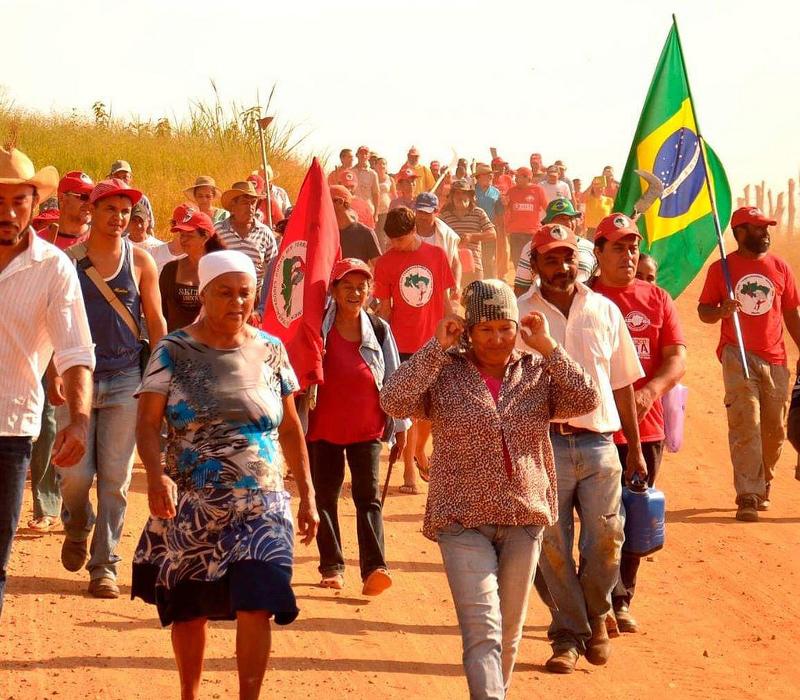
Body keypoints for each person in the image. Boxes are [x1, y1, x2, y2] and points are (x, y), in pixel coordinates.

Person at [380, 279, 599, 699]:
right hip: (462, 522)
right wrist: (434, 348)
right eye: (485, 329)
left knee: (509, 633)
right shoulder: (445, 374)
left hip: (524, 518)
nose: (497, 339)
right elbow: (394, 400)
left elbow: (587, 398)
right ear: (468, 329)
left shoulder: (536, 372)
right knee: (483, 629)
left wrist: (550, 348)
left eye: (506, 327)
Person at [131, 250, 319, 700]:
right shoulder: (172, 350)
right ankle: (189, 694)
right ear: (202, 293)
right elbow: (147, 422)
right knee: (190, 606)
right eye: (225, 293)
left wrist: (308, 492)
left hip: (264, 499)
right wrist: (156, 477)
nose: (237, 302)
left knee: (260, 598)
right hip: (195, 501)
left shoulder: (271, 349)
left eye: (244, 293)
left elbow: (291, 427)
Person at [517, 223, 646, 673]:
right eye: (550, 259)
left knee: (608, 537)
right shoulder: (518, 315)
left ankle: (594, 613)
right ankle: (568, 636)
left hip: (600, 442)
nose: (562, 267)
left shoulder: (605, 310)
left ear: (579, 261)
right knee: (552, 544)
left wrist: (633, 448)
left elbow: (624, 381)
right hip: (543, 445)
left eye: (568, 258)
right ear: (534, 264)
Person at [56, 178, 167, 599]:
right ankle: (77, 523)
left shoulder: (141, 262)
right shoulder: (67, 261)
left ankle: (105, 566)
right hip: (76, 380)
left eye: (126, 211)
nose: (119, 218)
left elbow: (155, 322)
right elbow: (54, 320)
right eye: (111, 210)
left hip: (125, 381)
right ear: (93, 211)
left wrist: (163, 374)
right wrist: (53, 372)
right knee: (75, 477)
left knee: (115, 480)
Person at [0, 147, 94, 616]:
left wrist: (78, 419)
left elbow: (75, 350)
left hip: (10, 431)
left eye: (20, 200)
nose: (9, 211)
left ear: (35, 205)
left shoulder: (54, 267)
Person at [591, 213, 687, 633]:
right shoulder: (583, 298)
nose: (629, 255)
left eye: (633, 247)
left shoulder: (657, 299)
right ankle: (595, 601)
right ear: (598, 253)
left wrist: (652, 392)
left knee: (634, 515)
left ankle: (622, 598)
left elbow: (676, 359)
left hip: (645, 430)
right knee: (598, 522)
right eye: (618, 247)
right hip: (590, 429)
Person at [307, 258, 409, 594]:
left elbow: (395, 379)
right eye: (347, 286)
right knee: (325, 497)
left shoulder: (379, 330)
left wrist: (401, 425)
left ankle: (374, 568)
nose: (355, 292)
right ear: (333, 290)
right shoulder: (316, 329)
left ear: (369, 291)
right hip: (322, 428)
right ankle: (332, 566)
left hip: (367, 429)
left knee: (368, 498)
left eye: (361, 286)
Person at [697, 206, 800, 522]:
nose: (765, 233)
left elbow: (791, 312)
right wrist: (721, 311)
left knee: (775, 430)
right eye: (757, 228)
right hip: (737, 353)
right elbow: (704, 311)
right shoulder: (722, 270)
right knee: (746, 423)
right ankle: (748, 494)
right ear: (739, 232)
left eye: (766, 228)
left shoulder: (780, 267)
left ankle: (763, 479)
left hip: (776, 358)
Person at [27, 171, 95, 532]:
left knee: (86, 427)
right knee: (48, 423)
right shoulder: (42, 242)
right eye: (80, 196)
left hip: (90, 347)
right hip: (47, 345)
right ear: (63, 198)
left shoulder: (97, 242)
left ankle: (78, 505)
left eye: (90, 197)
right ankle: (46, 503)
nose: (87, 204)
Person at [374, 207, 456, 495]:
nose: (395, 246)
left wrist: (454, 330)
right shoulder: (385, 263)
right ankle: (409, 468)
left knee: (430, 410)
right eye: (392, 241)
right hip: (400, 345)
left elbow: (446, 300)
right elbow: (385, 308)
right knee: (406, 411)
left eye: (400, 240)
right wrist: (380, 340)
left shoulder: (436, 255)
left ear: (413, 232)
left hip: (434, 342)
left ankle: (421, 452)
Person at [215, 180, 278, 322]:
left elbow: (275, 268)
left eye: (253, 202)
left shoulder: (264, 233)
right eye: (245, 202)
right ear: (233, 205)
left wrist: (262, 307)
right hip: (224, 298)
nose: (250, 207)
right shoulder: (218, 231)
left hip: (254, 301)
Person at [160, 204, 226, 331]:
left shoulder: (223, 272)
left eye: (189, 235)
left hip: (212, 347)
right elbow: (161, 313)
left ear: (205, 237)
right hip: (176, 347)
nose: (183, 240)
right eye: (182, 235)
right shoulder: (170, 270)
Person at [514, 198, 596, 297]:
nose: (568, 223)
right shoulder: (532, 247)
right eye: (562, 218)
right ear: (548, 223)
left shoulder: (590, 248)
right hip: (542, 308)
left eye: (571, 218)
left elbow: (598, 285)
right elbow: (521, 287)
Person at [439, 179, 496, 286]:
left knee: (474, 299)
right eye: (457, 193)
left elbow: (492, 234)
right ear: (451, 197)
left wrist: (471, 236)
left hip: (474, 266)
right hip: (451, 266)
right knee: (453, 300)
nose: (461, 197)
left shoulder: (478, 213)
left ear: (470, 196)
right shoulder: (444, 216)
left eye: (465, 193)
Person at [413, 192, 462, 294]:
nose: (422, 216)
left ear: (436, 212)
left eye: (427, 213)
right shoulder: (406, 231)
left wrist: (456, 284)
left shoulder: (447, 235)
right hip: (412, 285)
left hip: (439, 289)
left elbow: (455, 263)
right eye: (420, 212)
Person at [505, 167, 548, 278]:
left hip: (532, 232)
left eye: (518, 176)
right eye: (515, 176)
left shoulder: (538, 190)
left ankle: (533, 281)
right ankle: (521, 280)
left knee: (532, 260)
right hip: (515, 232)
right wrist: (503, 204)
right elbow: (505, 210)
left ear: (527, 178)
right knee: (516, 259)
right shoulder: (511, 191)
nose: (515, 179)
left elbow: (547, 208)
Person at [330, 185, 381, 264]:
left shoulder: (365, 233)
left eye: (326, 202)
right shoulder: (326, 234)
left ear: (340, 202)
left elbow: (379, 267)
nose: (323, 207)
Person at [109, 159, 156, 234]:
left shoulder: (141, 199)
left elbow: (149, 228)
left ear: (130, 178)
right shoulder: (105, 199)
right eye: (117, 177)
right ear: (110, 178)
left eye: (125, 177)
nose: (121, 180)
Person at [51, 170, 93, 250]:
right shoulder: (38, 241)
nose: (90, 204)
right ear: (62, 198)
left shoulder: (100, 240)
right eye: (84, 197)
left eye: (93, 198)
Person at [474, 163, 503, 279]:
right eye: (487, 175)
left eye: (491, 174)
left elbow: (499, 212)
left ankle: (490, 284)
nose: (491, 177)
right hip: (474, 228)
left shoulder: (496, 192)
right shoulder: (471, 190)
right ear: (479, 177)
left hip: (489, 229)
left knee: (488, 259)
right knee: (475, 259)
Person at [353, 145, 380, 219]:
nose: (363, 155)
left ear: (369, 156)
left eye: (366, 154)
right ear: (357, 155)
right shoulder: (351, 172)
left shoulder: (373, 174)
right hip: (353, 210)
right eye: (361, 153)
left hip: (368, 210)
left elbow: (376, 194)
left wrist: (376, 213)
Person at [375, 156, 396, 248]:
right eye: (379, 163)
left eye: (384, 163)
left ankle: (384, 252)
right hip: (374, 209)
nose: (382, 165)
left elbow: (394, 194)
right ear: (375, 165)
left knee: (383, 232)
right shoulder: (372, 177)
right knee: (375, 232)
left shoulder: (390, 179)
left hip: (386, 208)